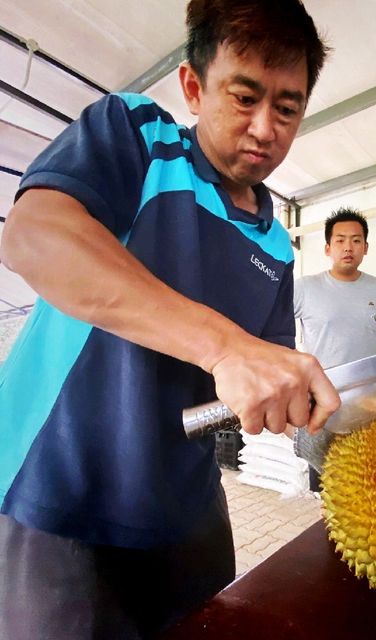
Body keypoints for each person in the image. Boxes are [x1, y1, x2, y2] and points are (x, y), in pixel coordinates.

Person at [0, 1, 339, 638]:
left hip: (186, 508)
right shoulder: (138, 137)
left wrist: (300, 404)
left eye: (287, 108)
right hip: (56, 486)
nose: (265, 127)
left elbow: (250, 387)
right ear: (193, 87)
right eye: (244, 97)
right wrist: (224, 347)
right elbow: (34, 235)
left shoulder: (276, 245)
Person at [292, 207, 376, 487]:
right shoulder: (305, 287)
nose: (348, 247)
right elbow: (276, 328)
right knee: (329, 484)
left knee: (375, 478)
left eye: (356, 240)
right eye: (340, 240)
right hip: (322, 399)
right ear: (327, 248)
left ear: (366, 247)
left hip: (371, 400)